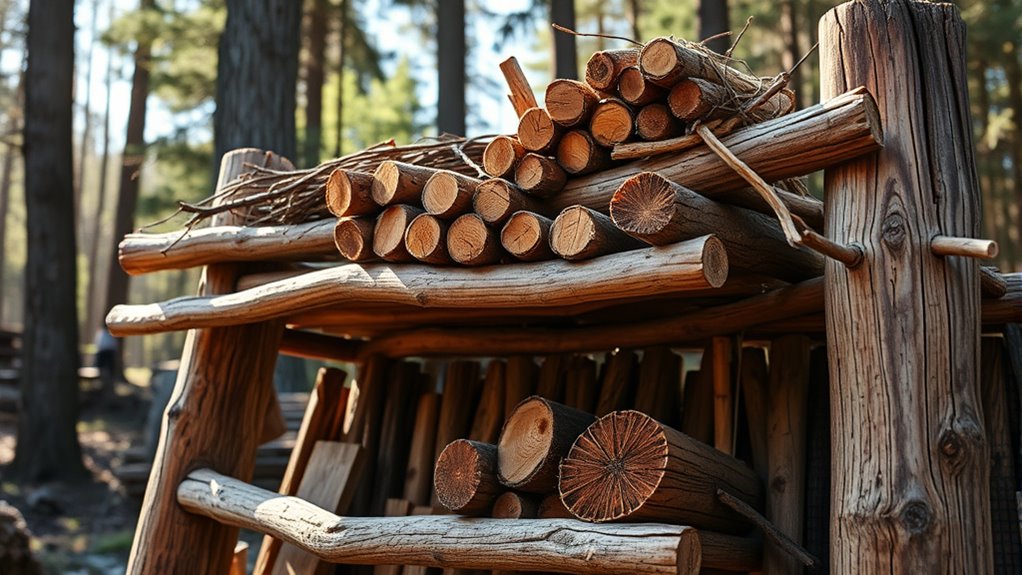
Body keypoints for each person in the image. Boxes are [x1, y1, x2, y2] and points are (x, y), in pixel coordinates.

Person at [94, 328, 118, 400]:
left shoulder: (111, 333)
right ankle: (102, 386)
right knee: (102, 371)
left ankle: (109, 389)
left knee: (109, 371)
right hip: (103, 353)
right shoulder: (101, 333)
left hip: (109, 353)